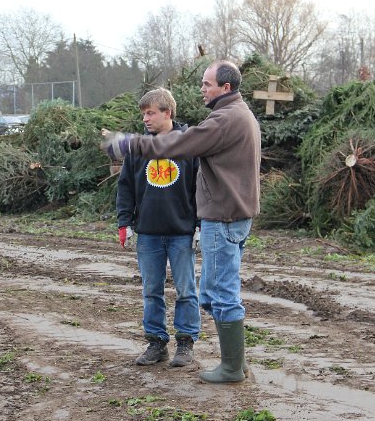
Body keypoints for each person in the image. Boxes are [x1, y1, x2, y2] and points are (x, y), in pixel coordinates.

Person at [102, 60, 261, 383]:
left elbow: (179, 144)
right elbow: (127, 189)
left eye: (207, 84)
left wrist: (128, 144)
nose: (201, 89)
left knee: (217, 294)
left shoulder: (224, 119)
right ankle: (235, 362)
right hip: (229, 215)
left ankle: (230, 367)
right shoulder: (239, 114)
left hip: (223, 217)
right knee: (211, 293)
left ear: (225, 88)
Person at [116, 88, 201, 368]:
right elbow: (125, 186)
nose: (146, 119)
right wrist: (124, 222)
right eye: (143, 114)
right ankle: (156, 343)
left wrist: (199, 224)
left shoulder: (189, 144)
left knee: (186, 290)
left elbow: (200, 187)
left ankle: (186, 343)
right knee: (151, 290)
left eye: (151, 113)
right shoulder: (139, 148)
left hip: (181, 232)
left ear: (168, 112)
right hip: (149, 233)